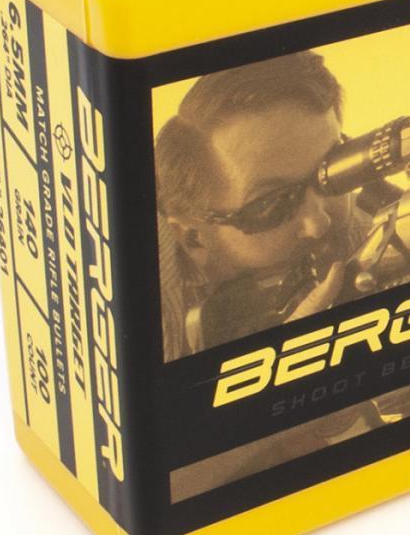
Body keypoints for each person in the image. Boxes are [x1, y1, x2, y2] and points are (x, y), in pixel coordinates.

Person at [154, 50, 367, 361]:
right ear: (193, 237)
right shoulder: (137, 311)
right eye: (271, 204)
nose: (319, 222)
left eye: (330, 174)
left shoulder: (367, 233)